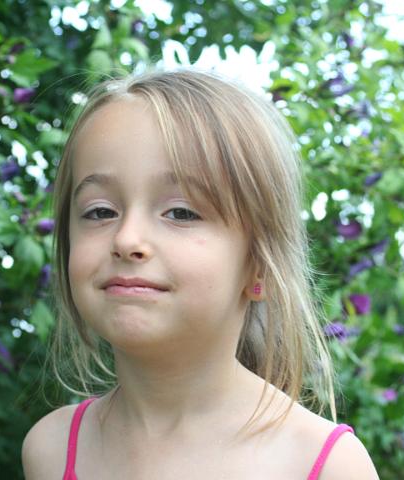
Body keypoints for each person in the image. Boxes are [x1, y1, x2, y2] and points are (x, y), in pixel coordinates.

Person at [22, 68, 379, 479]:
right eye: (100, 211)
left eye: (181, 212)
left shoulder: (325, 465)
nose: (127, 238)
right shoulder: (50, 450)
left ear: (259, 266)